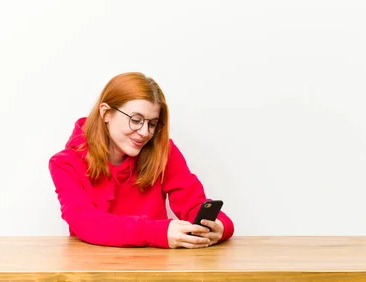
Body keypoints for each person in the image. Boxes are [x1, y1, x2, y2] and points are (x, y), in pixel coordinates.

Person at [48, 72, 234, 249]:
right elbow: (85, 222)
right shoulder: (65, 164)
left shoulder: (163, 152)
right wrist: (158, 232)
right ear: (106, 113)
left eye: (152, 123)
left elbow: (193, 204)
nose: (145, 132)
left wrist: (219, 226)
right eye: (136, 120)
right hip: (94, 269)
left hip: (154, 270)